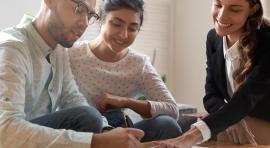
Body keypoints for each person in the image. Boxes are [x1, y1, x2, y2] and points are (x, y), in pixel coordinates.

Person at [0, 0, 144, 147]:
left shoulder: (59, 49)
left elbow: (72, 98)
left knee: (108, 119)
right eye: (79, 8)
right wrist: (95, 141)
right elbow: (4, 132)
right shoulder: (10, 49)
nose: (86, 23)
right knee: (88, 117)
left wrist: (105, 130)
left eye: (90, 15)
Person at [155, 0, 270, 147]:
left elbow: (246, 97)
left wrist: (191, 136)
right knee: (220, 130)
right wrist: (230, 119)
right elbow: (211, 95)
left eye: (234, 9)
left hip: (265, 121)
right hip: (244, 120)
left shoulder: (267, 42)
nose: (221, 16)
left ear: (252, 9)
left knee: (214, 132)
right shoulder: (213, 38)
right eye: (218, 5)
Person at [68, 0, 182, 142]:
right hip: (83, 132)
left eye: (132, 28)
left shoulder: (139, 65)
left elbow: (171, 109)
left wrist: (125, 102)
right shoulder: (72, 54)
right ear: (101, 20)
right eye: (116, 24)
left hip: (119, 131)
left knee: (167, 125)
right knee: (91, 118)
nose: (124, 34)